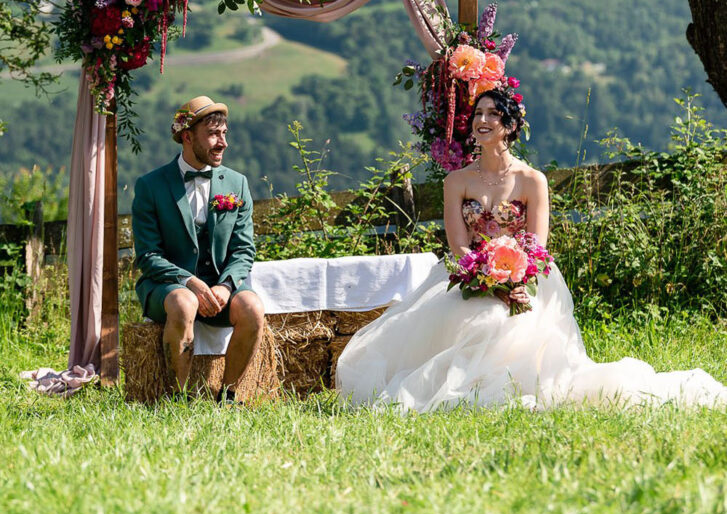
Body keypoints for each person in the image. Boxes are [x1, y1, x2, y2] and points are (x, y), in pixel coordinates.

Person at [336, 87, 727, 411]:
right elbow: (457, 242)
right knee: (467, 317)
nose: (482, 121)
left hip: (526, 275)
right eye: (477, 114)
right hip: (468, 272)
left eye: (493, 114)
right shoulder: (457, 181)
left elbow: (537, 243)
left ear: (509, 126)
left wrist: (513, 279)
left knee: (499, 321)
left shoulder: (531, 180)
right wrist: (483, 275)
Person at [132, 95, 265, 402]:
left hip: (219, 286)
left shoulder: (237, 183)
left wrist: (225, 285)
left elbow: (244, 250)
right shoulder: (150, 186)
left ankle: (229, 395)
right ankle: (180, 397)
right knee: (183, 303)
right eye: (214, 135)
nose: (223, 143)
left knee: (253, 308)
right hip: (167, 288)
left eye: (225, 134)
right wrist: (189, 283)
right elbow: (148, 256)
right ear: (188, 137)